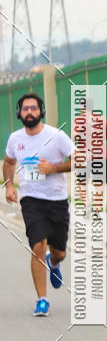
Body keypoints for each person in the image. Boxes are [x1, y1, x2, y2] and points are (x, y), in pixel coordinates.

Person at [3, 93, 73, 316]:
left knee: (60, 252)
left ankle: (55, 263)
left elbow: (79, 160)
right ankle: (42, 300)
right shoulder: (15, 138)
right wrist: (9, 186)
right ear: (19, 113)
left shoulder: (57, 136)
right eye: (25, 109)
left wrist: (53, 169)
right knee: (37, 247)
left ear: (41, 111)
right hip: (31, 200)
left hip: (57, 200)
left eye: (33, 108)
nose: (29, 112)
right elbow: (9, 162)